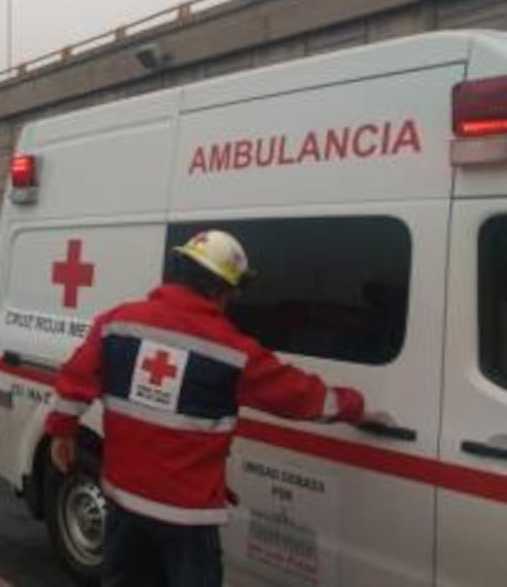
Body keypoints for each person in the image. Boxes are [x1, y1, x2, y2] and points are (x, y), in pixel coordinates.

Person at [46, 230, 366, 587]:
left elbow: (75, 381)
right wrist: (357, 407)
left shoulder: (117, 321)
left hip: (125, 500)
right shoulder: (234, 352)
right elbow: (302, 397)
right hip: (186, 518)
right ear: (220, 289)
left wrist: (62, 431)